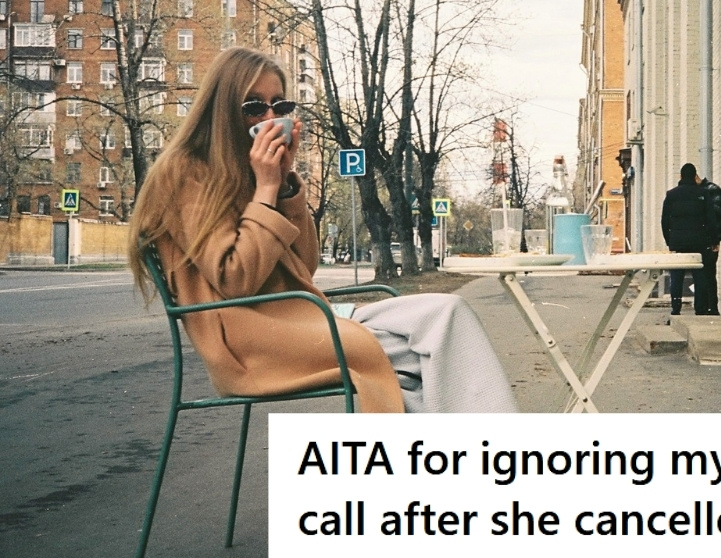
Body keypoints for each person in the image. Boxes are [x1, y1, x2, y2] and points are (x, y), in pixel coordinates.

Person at [127, 47, 517, 413]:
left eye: (280, 105)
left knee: (446, 313)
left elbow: (304, 268)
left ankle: (475, 457)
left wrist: (284, 185)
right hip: (249, 340)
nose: (269, 118)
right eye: (253, 107)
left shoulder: (246, 172)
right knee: (421, 365)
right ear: (222, 110)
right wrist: (265, 188)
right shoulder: (183, 173)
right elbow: (235, 280)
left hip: (301, 316)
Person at [661, 163, 721, 315]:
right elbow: (711, 220)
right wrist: (714, 241)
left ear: (680, 176)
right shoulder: (703, 194)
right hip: (700, 241)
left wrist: (669, 241)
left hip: (678, 242)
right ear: (694, 176)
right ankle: (700, 308)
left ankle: (676, 308)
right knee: (700, 276)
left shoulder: (671, 195)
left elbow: (664, 221)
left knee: (676, 276)